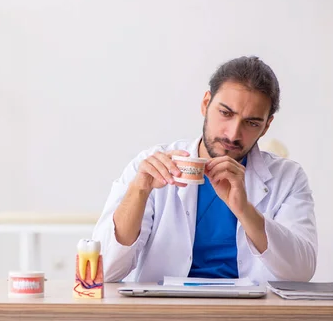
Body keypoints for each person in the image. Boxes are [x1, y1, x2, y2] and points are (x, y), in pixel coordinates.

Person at [92, 56, 317, 284]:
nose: (232, 134)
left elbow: (300, 273)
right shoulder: (150, 166)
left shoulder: (288, 178)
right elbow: (104, 272)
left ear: (266, 126)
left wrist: (246, 211)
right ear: (205, 103)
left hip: (250, 315)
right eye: (226, 113)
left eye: (251, 123)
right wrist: (139, 191)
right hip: (165, 311)